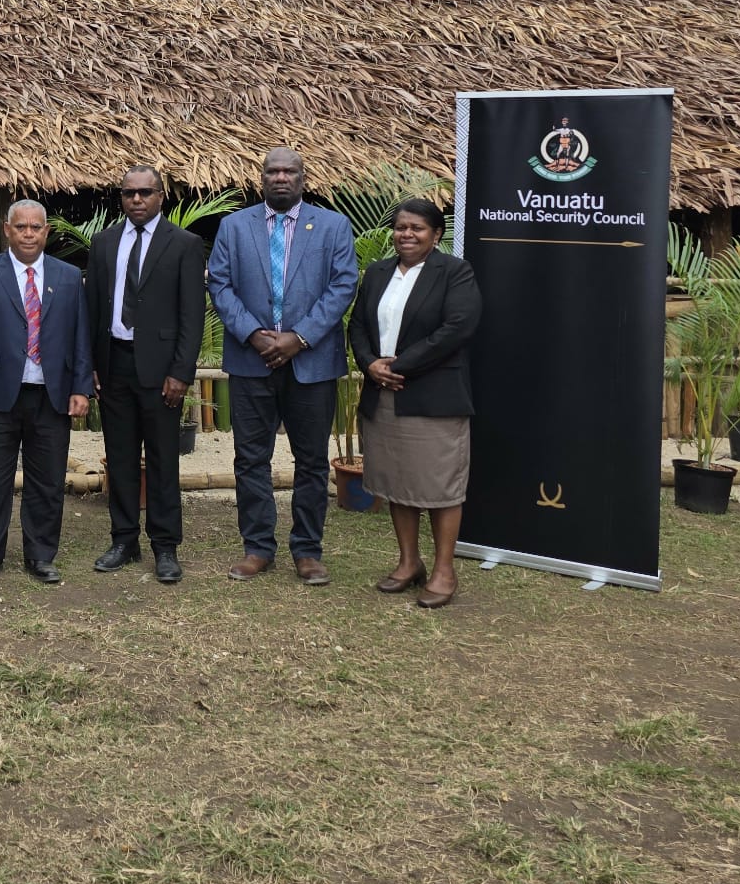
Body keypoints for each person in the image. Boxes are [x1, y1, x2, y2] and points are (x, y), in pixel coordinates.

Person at [206, 147, 357, 585]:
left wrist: (299, 337)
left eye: (290, 171)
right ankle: (257, 548)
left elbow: (343, 284)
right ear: (261, 178)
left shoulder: (332, 226)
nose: (281, 177)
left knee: (311, 461)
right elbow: (220, 284)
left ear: (303, 178)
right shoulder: (234, 226)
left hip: (312, 362)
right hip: (250, 360)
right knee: (251, 459)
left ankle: (307, 551)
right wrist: (253, 334)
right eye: (273, 171)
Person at [345, 197, 481, 609]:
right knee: (398, 482)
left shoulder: (454, 272)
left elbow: (457, 328)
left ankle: (444, 571)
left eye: (417, 228)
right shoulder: (377, 272)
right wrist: (370, 364)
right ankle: (409, 562)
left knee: (440, 486)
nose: (406, 234)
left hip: (431, 396)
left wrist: (398, 365)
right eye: (401, 227)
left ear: (436, 234)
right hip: (383, 395)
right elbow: (357, 326)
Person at [0, 201, 92, 585]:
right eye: (21, 227)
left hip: (52, 394)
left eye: (35, 227)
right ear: (7, 229)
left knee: (48, 481)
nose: (28, 234)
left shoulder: (69, 277)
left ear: (46, 232)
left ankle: (41, 555)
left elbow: (81, 336)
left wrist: (81, 387)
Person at [85, 164, 206, 584]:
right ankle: (123, 540)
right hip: (113, 364)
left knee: (162, 459)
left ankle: (165, 546)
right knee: (119, 457)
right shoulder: (104, 243)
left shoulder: (184, 244)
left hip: (161, 370)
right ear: (121, 197)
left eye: (145, 192)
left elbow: (192, 314)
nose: (136, 199)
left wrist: (181, 372)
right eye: (129, 193)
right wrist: (91, 365)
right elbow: (92, 308)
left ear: (160, 196)